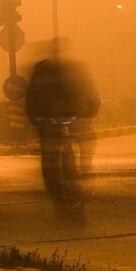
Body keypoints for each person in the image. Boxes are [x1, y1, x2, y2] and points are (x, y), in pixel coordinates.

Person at [24, 38, 100, 219]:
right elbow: (32, 96)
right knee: (50, 159)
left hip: (69, 119)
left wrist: (89, 110)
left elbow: (87, 91)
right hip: (47, 121)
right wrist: (36, 118)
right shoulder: (41, 69)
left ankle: (75, 192)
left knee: (69, 156)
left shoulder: (73, 69)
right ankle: (56, 195)